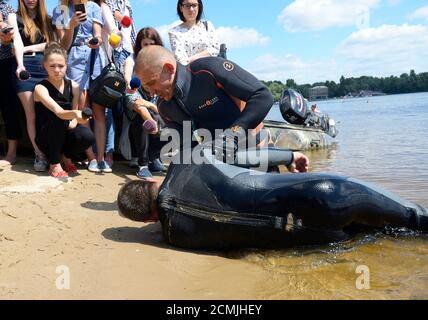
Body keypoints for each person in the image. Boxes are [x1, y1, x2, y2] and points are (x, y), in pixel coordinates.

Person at [117, 148, 428, 249]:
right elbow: (248, 155)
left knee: (384, 238)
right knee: (414, 222)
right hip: (326, 193)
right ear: (148, 179)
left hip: (311, 238)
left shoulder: (176, 238)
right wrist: (290, 154)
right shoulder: (188, 157)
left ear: (147, 219)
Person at [134, 45, 309, 171]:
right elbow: (187, 144)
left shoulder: (207, 70)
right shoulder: (164, 106)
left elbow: (262, 96)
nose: (150, 91)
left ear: (169, 69)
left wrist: (233, 135)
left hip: (254, 147)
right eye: (146, 86)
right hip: (220, 157)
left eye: (152, 83)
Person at [53, 0, 111, 173]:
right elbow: (63, 45)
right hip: (75, 60)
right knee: (82, 108)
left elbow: (98, 34)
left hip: (95, 60)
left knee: (99, 110)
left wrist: (97, 40)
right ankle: (91, 157)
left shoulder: (93, 7)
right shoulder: (61, 9)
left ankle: (101, 158)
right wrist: (71, 26)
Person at [34, 42, 94, 178]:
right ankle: (54, 164)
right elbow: (60, 112)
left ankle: (66, 157)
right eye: (52, 66)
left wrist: (77, 118)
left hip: (64, 132)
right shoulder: (40, 88)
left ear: (67, 66)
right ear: (45, 66)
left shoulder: (74, 86)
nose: (57, 70)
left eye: (61, 66)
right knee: (58, 119)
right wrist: (74, 114)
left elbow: (73, 117)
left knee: (87, 135)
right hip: (46, 137)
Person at [15, 0, 56, 172]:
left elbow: (51, 44)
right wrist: (20, 64)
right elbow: (16, 41)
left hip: (44, 66)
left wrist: (25, 49)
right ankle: (39, 154)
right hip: (25, 69)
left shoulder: (48, 18)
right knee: (30, 115)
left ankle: (54, 153)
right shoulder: (15, 17)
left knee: (48, 113)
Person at [121, 27, 167, 177]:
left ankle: (153, 157)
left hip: (153, 101)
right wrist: (130, 83)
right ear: (139, 45)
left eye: (151, 44)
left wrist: (151, 105)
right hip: (134, 94)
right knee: (142, 114)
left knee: (164, 118)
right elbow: (128, 77)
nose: (148, 47)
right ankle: (143, 165)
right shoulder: (131, 59)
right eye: (145, 44)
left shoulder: (162, 60)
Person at [0, 1, 25, 167]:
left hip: (5, 62)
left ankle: (11, 153)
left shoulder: (6, 8)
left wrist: (6, 37)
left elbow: (14, 36)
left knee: (9, 107)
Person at [168, 0, 219, 65]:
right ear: (181, 8)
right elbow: (181, 60)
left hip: (211, 70)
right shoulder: (174, 32)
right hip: (189, 73)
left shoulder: (208, 25)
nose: (191, 9)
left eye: (194, 5)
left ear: (199, 7)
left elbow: (214, 49)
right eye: (187, 5)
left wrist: (190, 59)